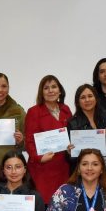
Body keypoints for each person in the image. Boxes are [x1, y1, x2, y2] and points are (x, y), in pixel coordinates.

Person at [24, 75, 73, 204]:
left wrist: (71, 148)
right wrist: (39, 158)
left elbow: (71, 136)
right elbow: (29, 141)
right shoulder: (34, 112)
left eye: (54, 87)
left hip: (63, 167)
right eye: (46, 88)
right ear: (41, 92)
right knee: (43, 207)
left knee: (62, 205)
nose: (50, 91)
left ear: (60, 90)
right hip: (42, 169)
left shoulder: (66, 110)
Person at [66, 84, 106, 170]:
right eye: (83, 97)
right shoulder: (72, 123)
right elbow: (71, 159)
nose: (87, 100)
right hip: (85, 170)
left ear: (96, 98)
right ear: (77, 102)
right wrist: (69, 152)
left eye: (90, 96)